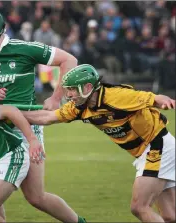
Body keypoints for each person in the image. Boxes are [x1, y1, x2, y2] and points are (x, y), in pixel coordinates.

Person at [0, 10, 85, 223]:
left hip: (26, 127)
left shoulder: (24, 49)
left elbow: (69, 60)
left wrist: (56, 98)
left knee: (36, 197)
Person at [22, 64, 176, 223]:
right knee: (170, 216)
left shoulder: (116, 96)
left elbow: (154, 98)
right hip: (154, 149)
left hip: (157, 147)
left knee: (139, 207)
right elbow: (46, 118)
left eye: (73, 89)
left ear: (88, 87)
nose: (68, 95)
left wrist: (164, 101)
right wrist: (12, 114)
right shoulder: (79, 107)